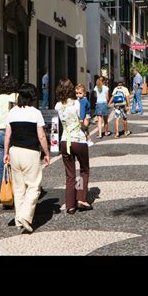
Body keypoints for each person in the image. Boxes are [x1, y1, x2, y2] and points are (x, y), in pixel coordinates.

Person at [3, 83, 50, 233]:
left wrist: (5, 153)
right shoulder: (35, 113)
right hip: (30, 152)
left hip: (14, 151)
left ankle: (18, 219)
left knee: (19, 188)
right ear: (32, 97)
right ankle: (25, 215)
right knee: (34, 186)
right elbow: (41, 136)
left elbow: (7, 136)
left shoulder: (12, 112)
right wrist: (47, 153)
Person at [55, 79, 92, 213]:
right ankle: (81, 198)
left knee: (70, 174)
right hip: (79, 140)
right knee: (83, 170)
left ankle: (70, 205)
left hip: (65, 141)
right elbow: (85, 124)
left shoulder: (58, 106)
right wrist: (88, 116)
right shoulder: (78, 103)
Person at [0, 75, 18, 183]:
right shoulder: (17, 97)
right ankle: (16, 189)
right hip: (14, 132)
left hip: (0, 132)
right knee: (15, 164)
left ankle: (4, 192)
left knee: (3, 164)